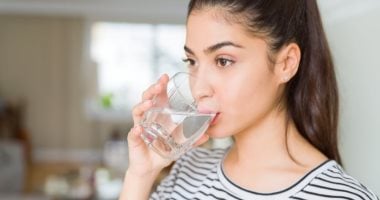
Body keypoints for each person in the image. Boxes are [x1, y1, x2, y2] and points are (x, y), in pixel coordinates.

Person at [120, 0, 379, 199]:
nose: (198, 88)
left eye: (223, 61)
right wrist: (141, 174)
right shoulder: (187, 170)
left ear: (286, 63)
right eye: (192, 61)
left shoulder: (341, 196)